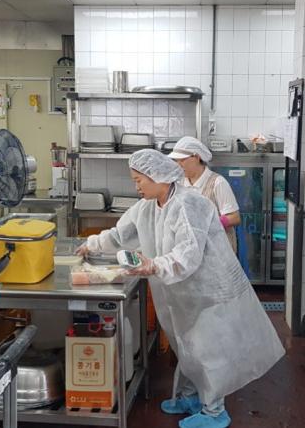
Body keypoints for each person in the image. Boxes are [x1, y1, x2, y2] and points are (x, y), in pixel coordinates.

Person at [76, 149, 284, 428]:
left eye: (139, 180)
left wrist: (153, 265)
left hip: (208, 290)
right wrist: (91, 244)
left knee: (207, 350)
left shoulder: (189, 204)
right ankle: (190, 397)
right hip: (179, 291)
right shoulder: (147, 207)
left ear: (159, 177)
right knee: (185, 345)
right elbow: (120, 234)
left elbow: (188, 254)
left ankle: (215, 411)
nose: (136, 186)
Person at [168, 136, 241, 253]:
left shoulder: (217, 183)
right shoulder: (180, 183)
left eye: (182, 160)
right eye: (176, 161)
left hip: (218, 251)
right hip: (193, 251)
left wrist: (206, 224)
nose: (178, 165)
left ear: (197, 157)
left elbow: (234, 217)